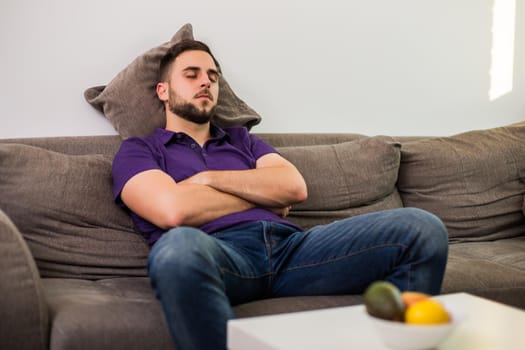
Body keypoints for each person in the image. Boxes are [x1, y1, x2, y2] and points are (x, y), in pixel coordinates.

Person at [112, 39, 449, 350]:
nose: (206, 82)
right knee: (177, 248)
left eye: (213, 76)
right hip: (219, 256)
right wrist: (261, 193)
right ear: (163, 91)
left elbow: (293, 188)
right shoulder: (139, 150)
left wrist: (205, 180)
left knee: (421, 228)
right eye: (192, 74)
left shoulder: (242, 140)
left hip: (293, 251)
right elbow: (172, 211)